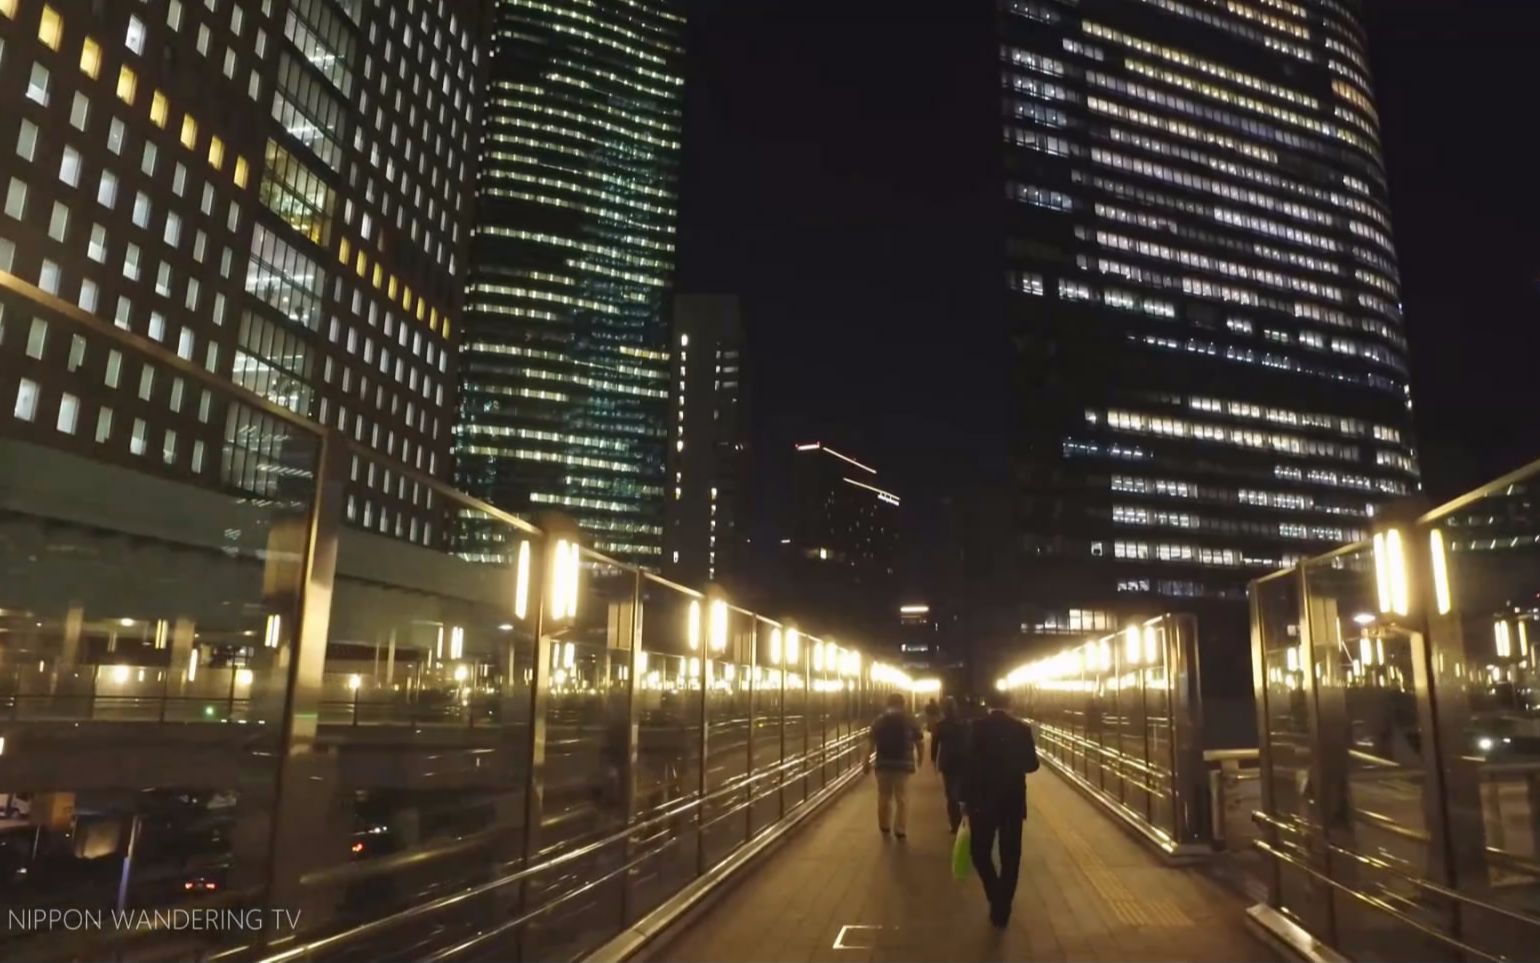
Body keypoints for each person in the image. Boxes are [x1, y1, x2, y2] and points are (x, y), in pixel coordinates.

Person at [962, 688, 1039, 927]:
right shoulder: (1021, 729)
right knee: (1010, 855)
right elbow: (1032, 765)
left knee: (979, 852)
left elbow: (966, 765)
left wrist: (963, 799)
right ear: (1010, 704)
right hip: (1012, 801)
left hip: (981, 801)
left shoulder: (975, 728)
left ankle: (996, 895)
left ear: (988, 704)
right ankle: (1002, 904)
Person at [868, 692, 924, 838]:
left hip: (883, 764)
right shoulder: (909, 719)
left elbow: (871, 741)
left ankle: (884, 826)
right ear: (903, 703)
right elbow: (920, 741)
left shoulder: (879, 720)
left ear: (888, 703)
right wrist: (920, 760)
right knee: (902, 798)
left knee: (884, 796)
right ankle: (900, 829)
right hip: (903, 764)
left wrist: (865, 761)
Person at [930, 696, 970, 833]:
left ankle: (955, 824)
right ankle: (966, 820)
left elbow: (934, 745)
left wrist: (933, 760)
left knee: (950, 794)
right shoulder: (965, 724)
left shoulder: (940, 725)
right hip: (964, 761)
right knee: (964, 791)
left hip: (948, 761)